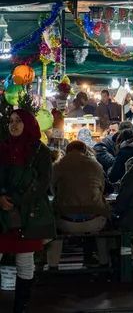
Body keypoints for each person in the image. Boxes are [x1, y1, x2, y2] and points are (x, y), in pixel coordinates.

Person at [0, 109, 55, 312]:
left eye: (19, 121)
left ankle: (21, 307)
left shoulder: (40, 151)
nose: (13, 125)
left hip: (29, 213)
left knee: (25, 259)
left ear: (29, 124)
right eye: (11, 121)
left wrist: (17, 200)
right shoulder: (2, 148)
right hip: (2, 213)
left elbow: (43, 182)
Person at [47, 140, 111, 270]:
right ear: (85, 150)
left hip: (64, 222)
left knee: (53, 225)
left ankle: (52, 266)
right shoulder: (96, 165)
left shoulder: (58, 165)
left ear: (68, 150)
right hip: (95, 221)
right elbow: (102, 189)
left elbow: (54, 191)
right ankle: (104, 263)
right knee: (105, 229)